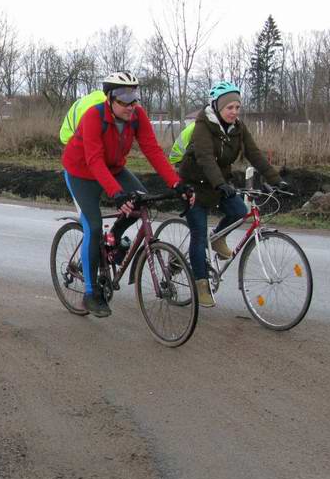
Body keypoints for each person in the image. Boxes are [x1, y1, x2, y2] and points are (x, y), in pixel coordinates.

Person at [62, 71, 192, 318]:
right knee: (93, 224)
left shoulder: (137, 116)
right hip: (81, 172)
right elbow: (94, 159)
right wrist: (117, 193)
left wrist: (177, 184)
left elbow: (153, 151)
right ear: (109, 98)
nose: (131, 105)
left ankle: (112, 239)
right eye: (123, 99)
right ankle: (90, 294)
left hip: (113, 169)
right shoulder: (94, 116)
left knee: (140, 198)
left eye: (134, 97)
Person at [178, 81, 287, 308]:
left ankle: (217, 238)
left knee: (239, 211)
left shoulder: (238, 127)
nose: (234, 112)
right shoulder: (203, 125)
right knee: (198, 235)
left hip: (218, 184)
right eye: (230, 108)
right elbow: (205, 158)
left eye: (237, 107)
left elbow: (254, 154)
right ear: (217, 106)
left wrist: (275, 179)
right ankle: (201, 285)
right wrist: (220, 183)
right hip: (195, 186)